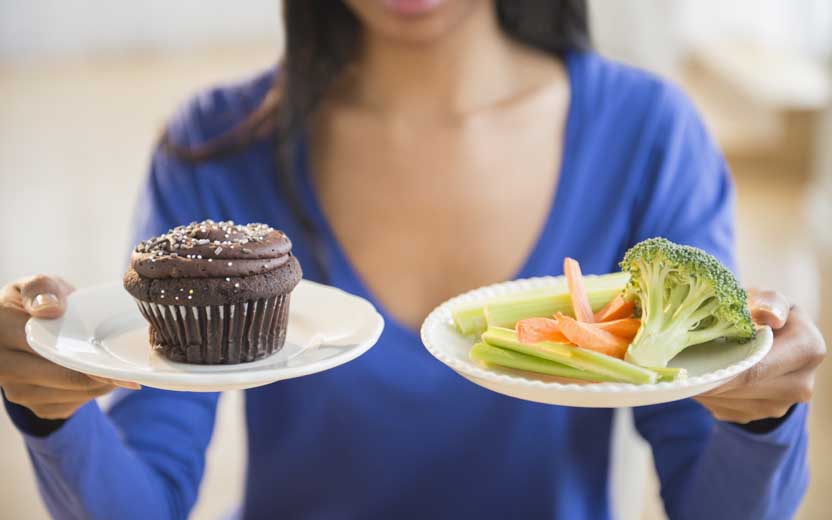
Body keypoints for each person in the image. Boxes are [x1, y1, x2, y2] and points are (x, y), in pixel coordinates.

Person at [0, 1, 826, 519]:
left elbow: (713, 498)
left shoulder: (649, 136)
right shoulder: (215, 148)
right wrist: (50, 412)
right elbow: (143, 495)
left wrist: (763, 417)